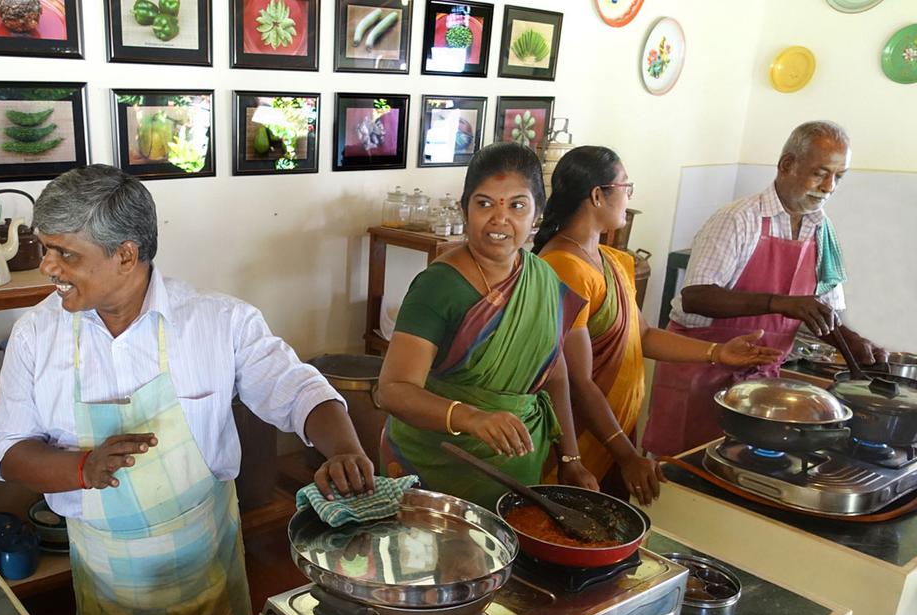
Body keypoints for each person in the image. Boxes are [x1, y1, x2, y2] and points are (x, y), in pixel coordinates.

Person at [0, 165, 374, 615]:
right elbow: (8, 448)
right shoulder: (35, 335)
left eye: (65, 253)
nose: (48, 266)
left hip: (205, 563)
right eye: (47, 249)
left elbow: (298, 389)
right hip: (106, 575)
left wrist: (342, 448)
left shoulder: (219, 321)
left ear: (126, 255)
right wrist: (83, 467)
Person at [535, 146, 781, 504]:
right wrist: (626, 455)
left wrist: (717, 353)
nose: (630, 195)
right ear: (597, 195)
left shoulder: (607, 260)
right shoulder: (565, 267)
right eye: (626, 186)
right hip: (582, 438)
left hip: (612, 429)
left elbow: (643, 335)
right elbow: (578, 381)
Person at [643, 120, 887, 457]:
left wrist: (852, 343)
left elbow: (818, 312)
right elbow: (696, 295)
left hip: (760, 385)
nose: (829, 187)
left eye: (838, 177)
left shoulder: (822, 230)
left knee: (740, 471)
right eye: (820, 173)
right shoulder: (738, 219)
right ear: (787, 165)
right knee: (683, 470)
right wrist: (779, 303)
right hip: (700, 371)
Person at [378, 142, 599, 511]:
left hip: (516, 466)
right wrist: (471, 417)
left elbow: (554, 370)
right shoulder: (439, 286)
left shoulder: (542, 279)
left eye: (517, 205)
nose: (500, 219)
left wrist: (569, 459)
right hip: (434, 467)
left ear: (538, 215)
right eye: (484, 204)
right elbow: (393, 390)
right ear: (465, 209)